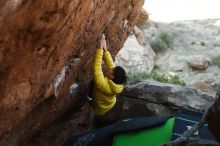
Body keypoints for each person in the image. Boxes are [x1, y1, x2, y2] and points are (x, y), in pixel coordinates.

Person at [91, 34, 127, 116]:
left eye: (112, 70)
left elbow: (96, 67)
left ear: (112, 77)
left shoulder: (103, 85)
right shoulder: (117, 81)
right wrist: (105, 49)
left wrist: (100, 49)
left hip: (99, 106)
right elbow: (111, 64)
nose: (110, 69)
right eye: (113, 69)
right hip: (109, 102)